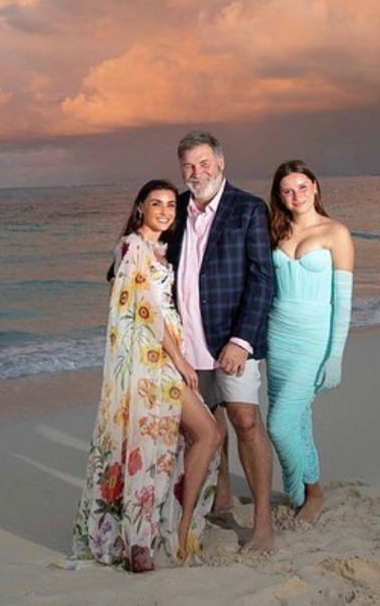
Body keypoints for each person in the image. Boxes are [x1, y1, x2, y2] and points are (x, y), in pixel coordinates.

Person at [72, 179, 224, 572]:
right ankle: (170, 529)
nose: (164, 211)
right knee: (206, 433)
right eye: (155, 203)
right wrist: (181, 361)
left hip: (164, 357)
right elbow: (145, 313)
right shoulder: (133, 246)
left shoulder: (157, 249)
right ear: (140, 207)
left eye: (171, 205)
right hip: (152, 363)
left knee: (176, 441)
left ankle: (168, 527)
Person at [165, 132, 277, 553]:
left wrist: (242, 340)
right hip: (185, 345)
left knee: (245, 422)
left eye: (204, 163)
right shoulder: (173, 209)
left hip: (232, 343)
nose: (197, 173)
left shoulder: (248, 209)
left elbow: (263, 280)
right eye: (189, 166)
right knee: (206, 426)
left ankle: (263, 523)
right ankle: (222, 496)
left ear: (221, 162)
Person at [265, 160, 354, 524]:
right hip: (276, 335)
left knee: (278, 424)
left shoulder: (336, 232)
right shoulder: (275, 230)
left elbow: (343, 302)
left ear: (315, 186)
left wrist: (335, 356)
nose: (295, 195)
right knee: (298, 419)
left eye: (302, 187)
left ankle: (308, 490)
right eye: (287, 190)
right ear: (280, 196)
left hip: (313, 341)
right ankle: (303, 493)